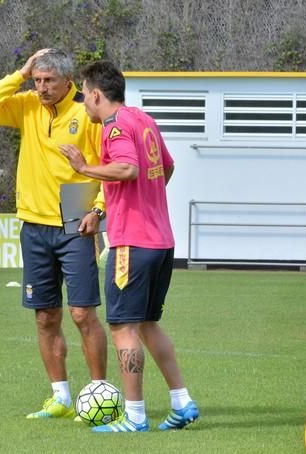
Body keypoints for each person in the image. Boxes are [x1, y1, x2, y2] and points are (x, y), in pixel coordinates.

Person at [59, 60, 200, 432]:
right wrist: (146, 201)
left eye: (84, 98)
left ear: (96, 94)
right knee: (149, 324)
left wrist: (84, 168)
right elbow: (166, 167)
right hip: (161, 241)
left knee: (123, 327)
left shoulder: (115, 126)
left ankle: (135, 416)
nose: (84, 105)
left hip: (132, 245)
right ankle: (182, 402)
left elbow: (127, 169)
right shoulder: (144, 120)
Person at [0, 48, 108, 420]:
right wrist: (19, 75)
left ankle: (98, 395)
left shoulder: (87, 113)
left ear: (68, 81)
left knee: (82, 313)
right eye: (38, 81)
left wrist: (98, 211)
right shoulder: (27, 105)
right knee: (45, 317)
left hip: (75, 221)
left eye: (49, 81)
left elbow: (106, 168)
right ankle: (60, 397)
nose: (42, 88)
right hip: (33, 226)